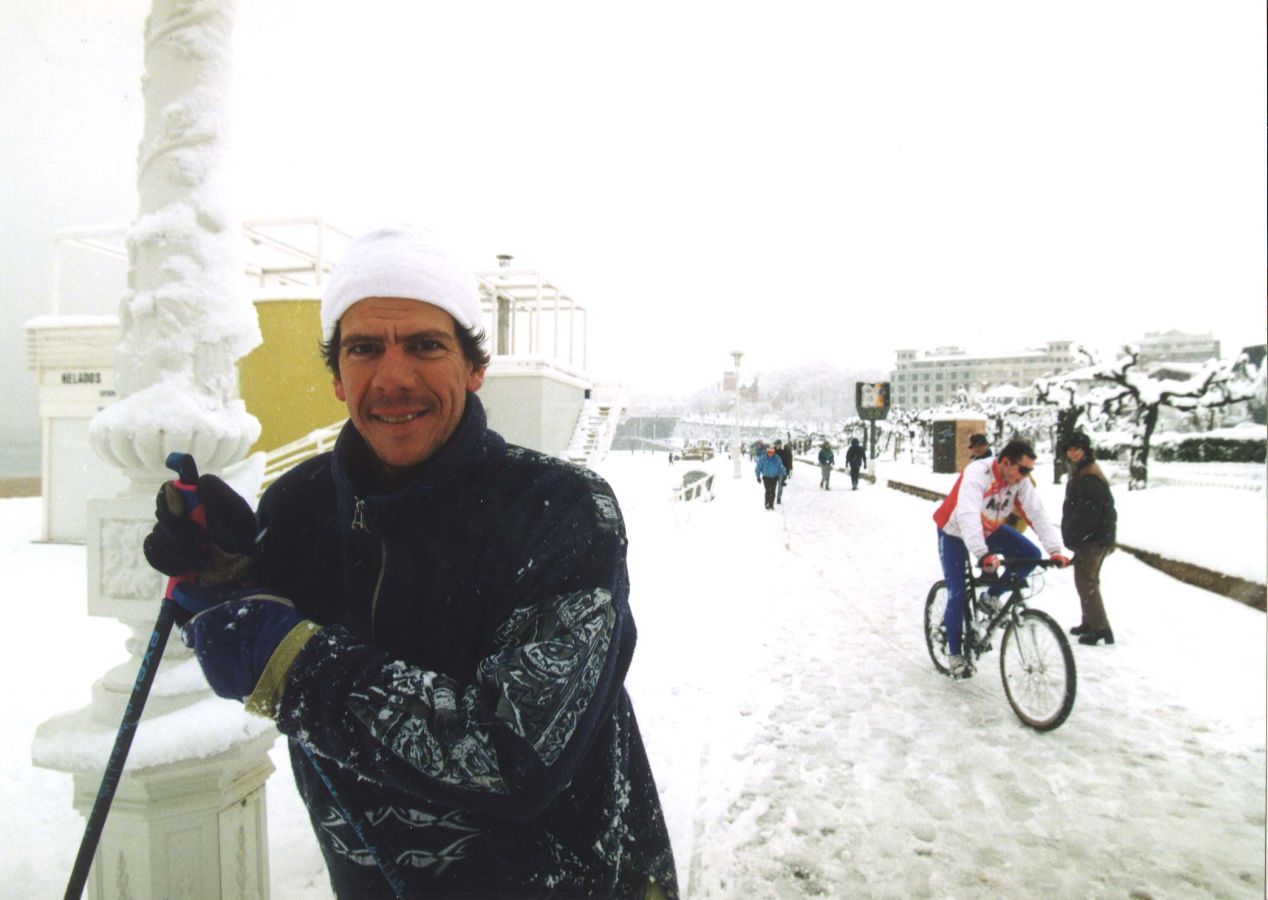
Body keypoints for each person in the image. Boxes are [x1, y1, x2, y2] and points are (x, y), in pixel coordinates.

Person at [143, 224, 678, 899]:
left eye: (426, 345)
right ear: (338, 377)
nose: (394, 377)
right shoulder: (299, 507)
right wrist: (222, 570)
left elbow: (515, 758)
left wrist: (293, 666)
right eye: (365, 349)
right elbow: (258, 629)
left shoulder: (560, 510)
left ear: (474, 367)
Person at [932, 439, 1070, 678]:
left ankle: (991, 596)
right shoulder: (978, 473)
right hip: (954, 530)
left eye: (1030, 471)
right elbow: (967, 514)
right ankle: (955, 654)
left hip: (989, 528)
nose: (1025, 476)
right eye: (1023, 469)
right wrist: (982, 553)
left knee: (1030, 556)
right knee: (959, 591)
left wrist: (1055, 550)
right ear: (1006, 462)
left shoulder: (1019, 482)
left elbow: (1036, 513)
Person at [1061, 431, 1117, 646]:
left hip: (1093, 538)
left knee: (1087, 582)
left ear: (1085, 451)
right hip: (1094, 537)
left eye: (1077, 449)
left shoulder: (1089, 476)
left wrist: (1078, 536)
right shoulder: (1082, 471)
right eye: (1070, 449)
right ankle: (1089, 621)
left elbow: (1088, 512)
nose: (1073, 453)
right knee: (1085, 581)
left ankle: (1101, 628)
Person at [755, 444, 787, 510]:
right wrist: (758, 476)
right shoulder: (763, 458)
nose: (770, 454)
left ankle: (771, 504)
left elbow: (781, 466)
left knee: (773, 491)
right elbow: (758, 468)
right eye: (769, 452)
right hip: (766, 477)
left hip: (774, 477)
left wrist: (784, 474)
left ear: (773, 452)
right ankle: (767, 504)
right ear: (767, 452)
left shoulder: (777, 458)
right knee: (768, 490)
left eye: (771, 452)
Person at [775, 439, 793, 503]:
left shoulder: (783, 452)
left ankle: (778, 498)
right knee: (773, 486)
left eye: (778, 444)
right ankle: (772, 497)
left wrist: (788, 470)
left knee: (780, 486)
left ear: (780, 445)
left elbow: (787, 461)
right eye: (776, 444)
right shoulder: (772, 451)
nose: (777, 445)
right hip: (773, 472)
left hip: (781, 472)